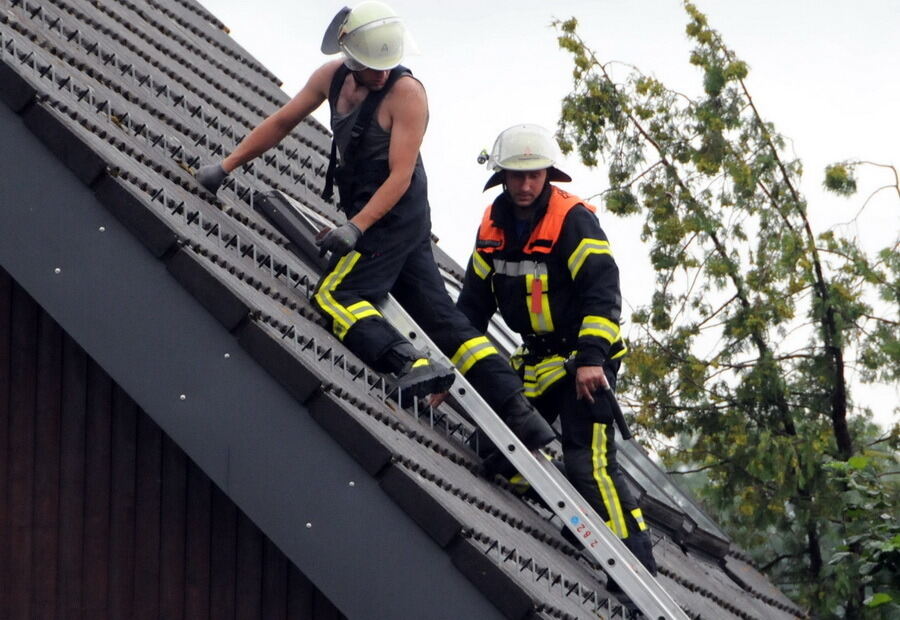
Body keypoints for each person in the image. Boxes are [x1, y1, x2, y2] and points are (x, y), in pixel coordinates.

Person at [194, 3, 554, 449]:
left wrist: (356, 228)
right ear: (350, 57)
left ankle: (407, 362)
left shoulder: (408, 95)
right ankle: (518, 410)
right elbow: (283, 121)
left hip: (394, 213)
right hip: (374, 213)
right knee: (441, 319)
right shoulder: (331, 77)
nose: (382, 76)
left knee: (335, 295)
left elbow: (400, 177)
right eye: (372, 68)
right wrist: (226, 166)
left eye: (387, 67)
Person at [456, 124, 657, 575]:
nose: (526, 185)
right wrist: (448, 370)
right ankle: (577, 521)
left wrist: (591, 360)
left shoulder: (574, 219)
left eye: (535, 176)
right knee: (494, 452)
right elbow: (471, 305)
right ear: (502, 177)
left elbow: (603, 292)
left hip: (585, 360)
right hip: (537, 362)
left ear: (549, 175)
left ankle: (635, 569)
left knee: (588, 463)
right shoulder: (492, 225)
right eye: (517, 176)